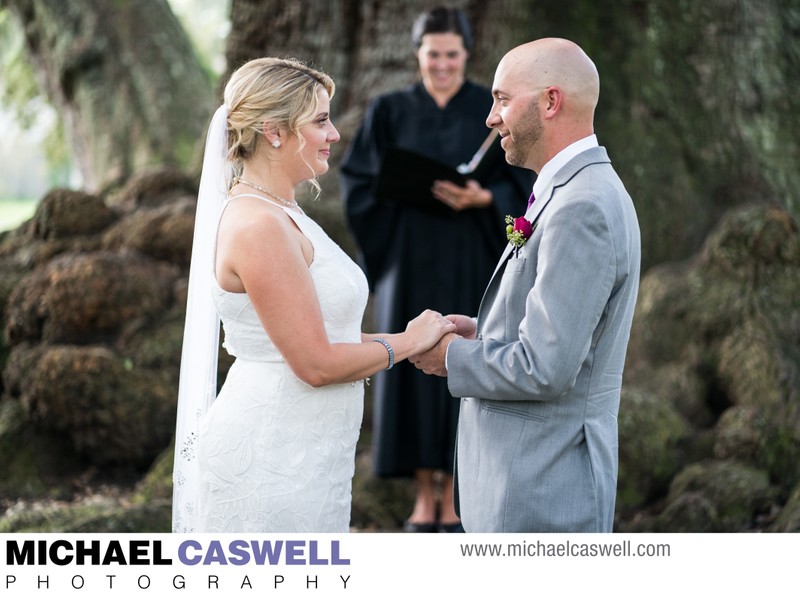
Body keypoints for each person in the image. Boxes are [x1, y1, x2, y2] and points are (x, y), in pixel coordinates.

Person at [171, 57, 455, 533]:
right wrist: (406, 343)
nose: (335, 134)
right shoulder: (258, 225)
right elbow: (315, 363)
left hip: (309, 449)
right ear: (275, 131)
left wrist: (422, 338)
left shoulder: (283, 211)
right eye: (321, 121)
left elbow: (325, 334)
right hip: (270, 450)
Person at [410, 38, 642, 532]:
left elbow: (544, 368)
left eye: (501, 99)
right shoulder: (570, 190)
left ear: (550, 102)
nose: (491, 119)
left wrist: (449, 355)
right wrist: (481, 332)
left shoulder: (582, 207)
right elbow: (561, 336)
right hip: (523, 483)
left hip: (541, 492)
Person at [340, 6, 533, 533]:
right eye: (433, 55)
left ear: (466, 55)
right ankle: (423, 496)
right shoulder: (389, 110)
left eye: (452, 54)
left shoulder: (490, 111)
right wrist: (403, 193)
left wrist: (485, 197)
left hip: (473, 251)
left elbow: (524, 182)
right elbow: (358, 181)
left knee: (467, 358)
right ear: (418, 55)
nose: (442, 64)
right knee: (413, 364)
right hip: (408, 253)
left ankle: (457, 497)